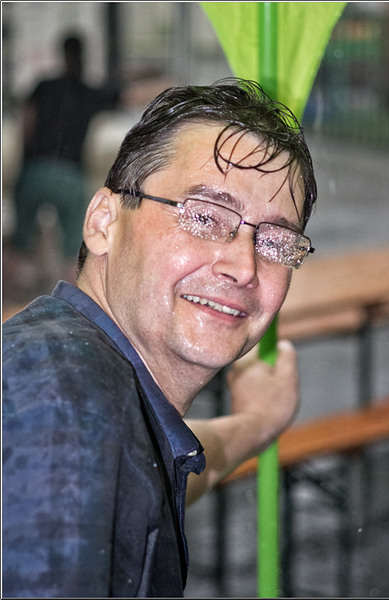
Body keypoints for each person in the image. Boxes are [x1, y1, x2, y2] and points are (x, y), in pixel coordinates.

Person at [2, 78, 317, 598]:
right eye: (205, 216)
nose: (244, 266)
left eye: (276, 241)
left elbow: (155, 466)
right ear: (102, 221)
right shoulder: (61, 403)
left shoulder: (94, 385)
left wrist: (258, 422)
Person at [10, 34, 119, 275]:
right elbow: (127, 95)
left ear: (63, 54)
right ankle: (70, 294)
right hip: (70, 173)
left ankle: (9, 292)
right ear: (83, 56)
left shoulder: (44, 87)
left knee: (18, 246)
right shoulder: (88, 92)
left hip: (36, 167)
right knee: (75, 251)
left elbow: (26, 122)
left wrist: (25, 163)